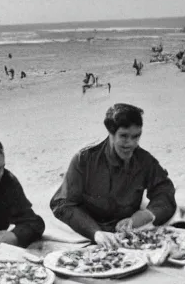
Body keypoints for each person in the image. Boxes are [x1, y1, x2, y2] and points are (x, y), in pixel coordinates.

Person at [50, 104, 177, 248]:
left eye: (136, 136)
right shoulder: (84, 159)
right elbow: (62, 204)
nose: (131, 143)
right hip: (88, 224)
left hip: (125, 226)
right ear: (111, 133)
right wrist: (95, 232)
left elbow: (165, 190)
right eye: (124, 136)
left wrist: (144, 216)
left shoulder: (144, 159)